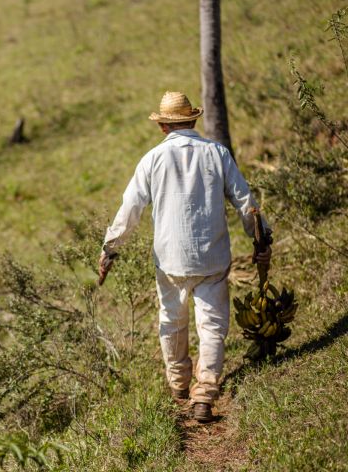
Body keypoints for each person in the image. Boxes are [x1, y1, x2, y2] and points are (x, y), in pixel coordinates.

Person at [98, 91, 271, 423]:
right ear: (193, 120)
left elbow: (130, 209)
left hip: (170, 260)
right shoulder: (217, 153)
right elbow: (244, 200)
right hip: (212, 257)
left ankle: (179, 386)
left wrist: (110, 248)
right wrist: (261, 236)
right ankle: (204, 394)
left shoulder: (152, 160)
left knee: (172, 320)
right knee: (212, 326)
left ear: (164, 126)